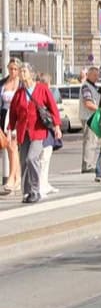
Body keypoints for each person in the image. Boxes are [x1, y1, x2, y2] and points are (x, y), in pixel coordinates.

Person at [8, 63, 62, 203]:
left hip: (38, 130)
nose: (21, 74)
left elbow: (53, 107)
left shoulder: (41, 89)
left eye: (24, 71)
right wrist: (10, 128)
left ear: (31, 73)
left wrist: (57, 126)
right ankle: (26, 192)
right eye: (20, 72)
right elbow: (13, 112)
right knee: (23, 161)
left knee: (32, 158)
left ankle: (36, 190)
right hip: (23, 132)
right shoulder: (19, 93)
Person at [1, 59, 23, 195]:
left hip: (16, 117)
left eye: (15, 69)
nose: (13, 71)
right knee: (9, 149)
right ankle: (17, 178)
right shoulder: (3, 83)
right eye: (11, 68)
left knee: (12, 147)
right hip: (4, 116)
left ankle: (11, 178)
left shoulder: (21, 84)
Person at [36, 73, 60, 197]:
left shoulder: (37, 91)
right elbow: (54, 109)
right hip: (45, 129)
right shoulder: (44, 92)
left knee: (44, 158)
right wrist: (57, 126)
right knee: (44, 158)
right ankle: (41, 185)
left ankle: (44, 183)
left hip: (43, 129)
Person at [79, 66, 101, 173]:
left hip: (92, 117)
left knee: (92, 141)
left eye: (97, 75)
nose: (97, 77)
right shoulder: (86, 87)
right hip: (89, 117)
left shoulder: (93, 87)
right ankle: (87, 165)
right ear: (89, 75)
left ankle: (89, 164)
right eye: (94, 75)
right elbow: (88, 103)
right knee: (90, 141)